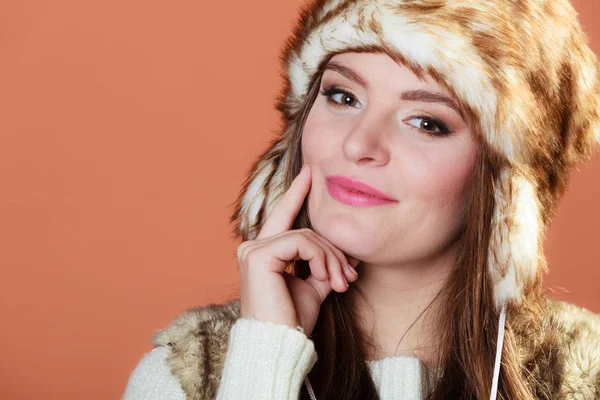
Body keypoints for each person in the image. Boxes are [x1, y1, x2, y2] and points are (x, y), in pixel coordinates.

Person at [123, 0, 600, 399]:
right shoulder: (186, 377)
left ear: (507, 186)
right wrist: (262, 358)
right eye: (343, 96)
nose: (359, 145)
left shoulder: (586, 376)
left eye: (426, 122)